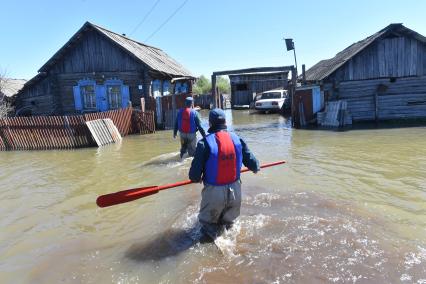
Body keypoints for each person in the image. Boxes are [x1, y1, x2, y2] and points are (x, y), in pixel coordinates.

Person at [189, 108, 260, 241]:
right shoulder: (238, 139)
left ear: (210, 124)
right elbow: (253, 163)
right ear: (225, 122)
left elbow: (194, 175)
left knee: (207, 228)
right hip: (236, 192)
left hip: (214, 194)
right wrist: (255, 168)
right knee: (230, 225)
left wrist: (197, 177)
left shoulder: (204, 143)